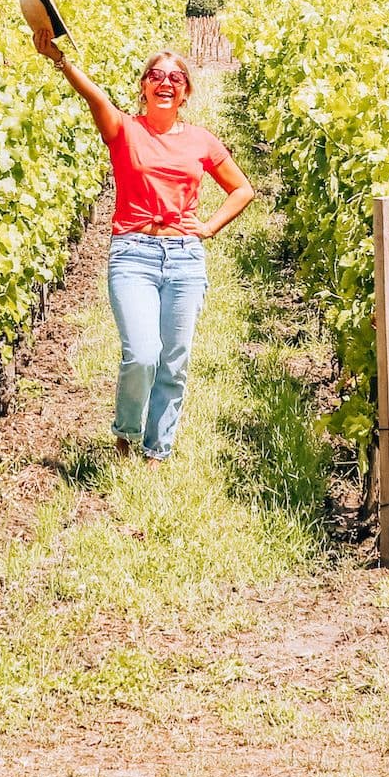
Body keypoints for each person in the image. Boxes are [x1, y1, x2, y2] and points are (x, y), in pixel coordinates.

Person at [34, 37, 254, 463]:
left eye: (175, 77)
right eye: (156, 76)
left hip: (184, 258)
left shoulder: (201, 141)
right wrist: (60, 61)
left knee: (174, 360)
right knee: (142, 353)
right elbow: (93, 94)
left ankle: (157, 451)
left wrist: (207, 227)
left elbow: (243, 189)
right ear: (143, 86)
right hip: (133, 254)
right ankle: (127, 431)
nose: (165, 83)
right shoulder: (124, 130)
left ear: (186, 91)